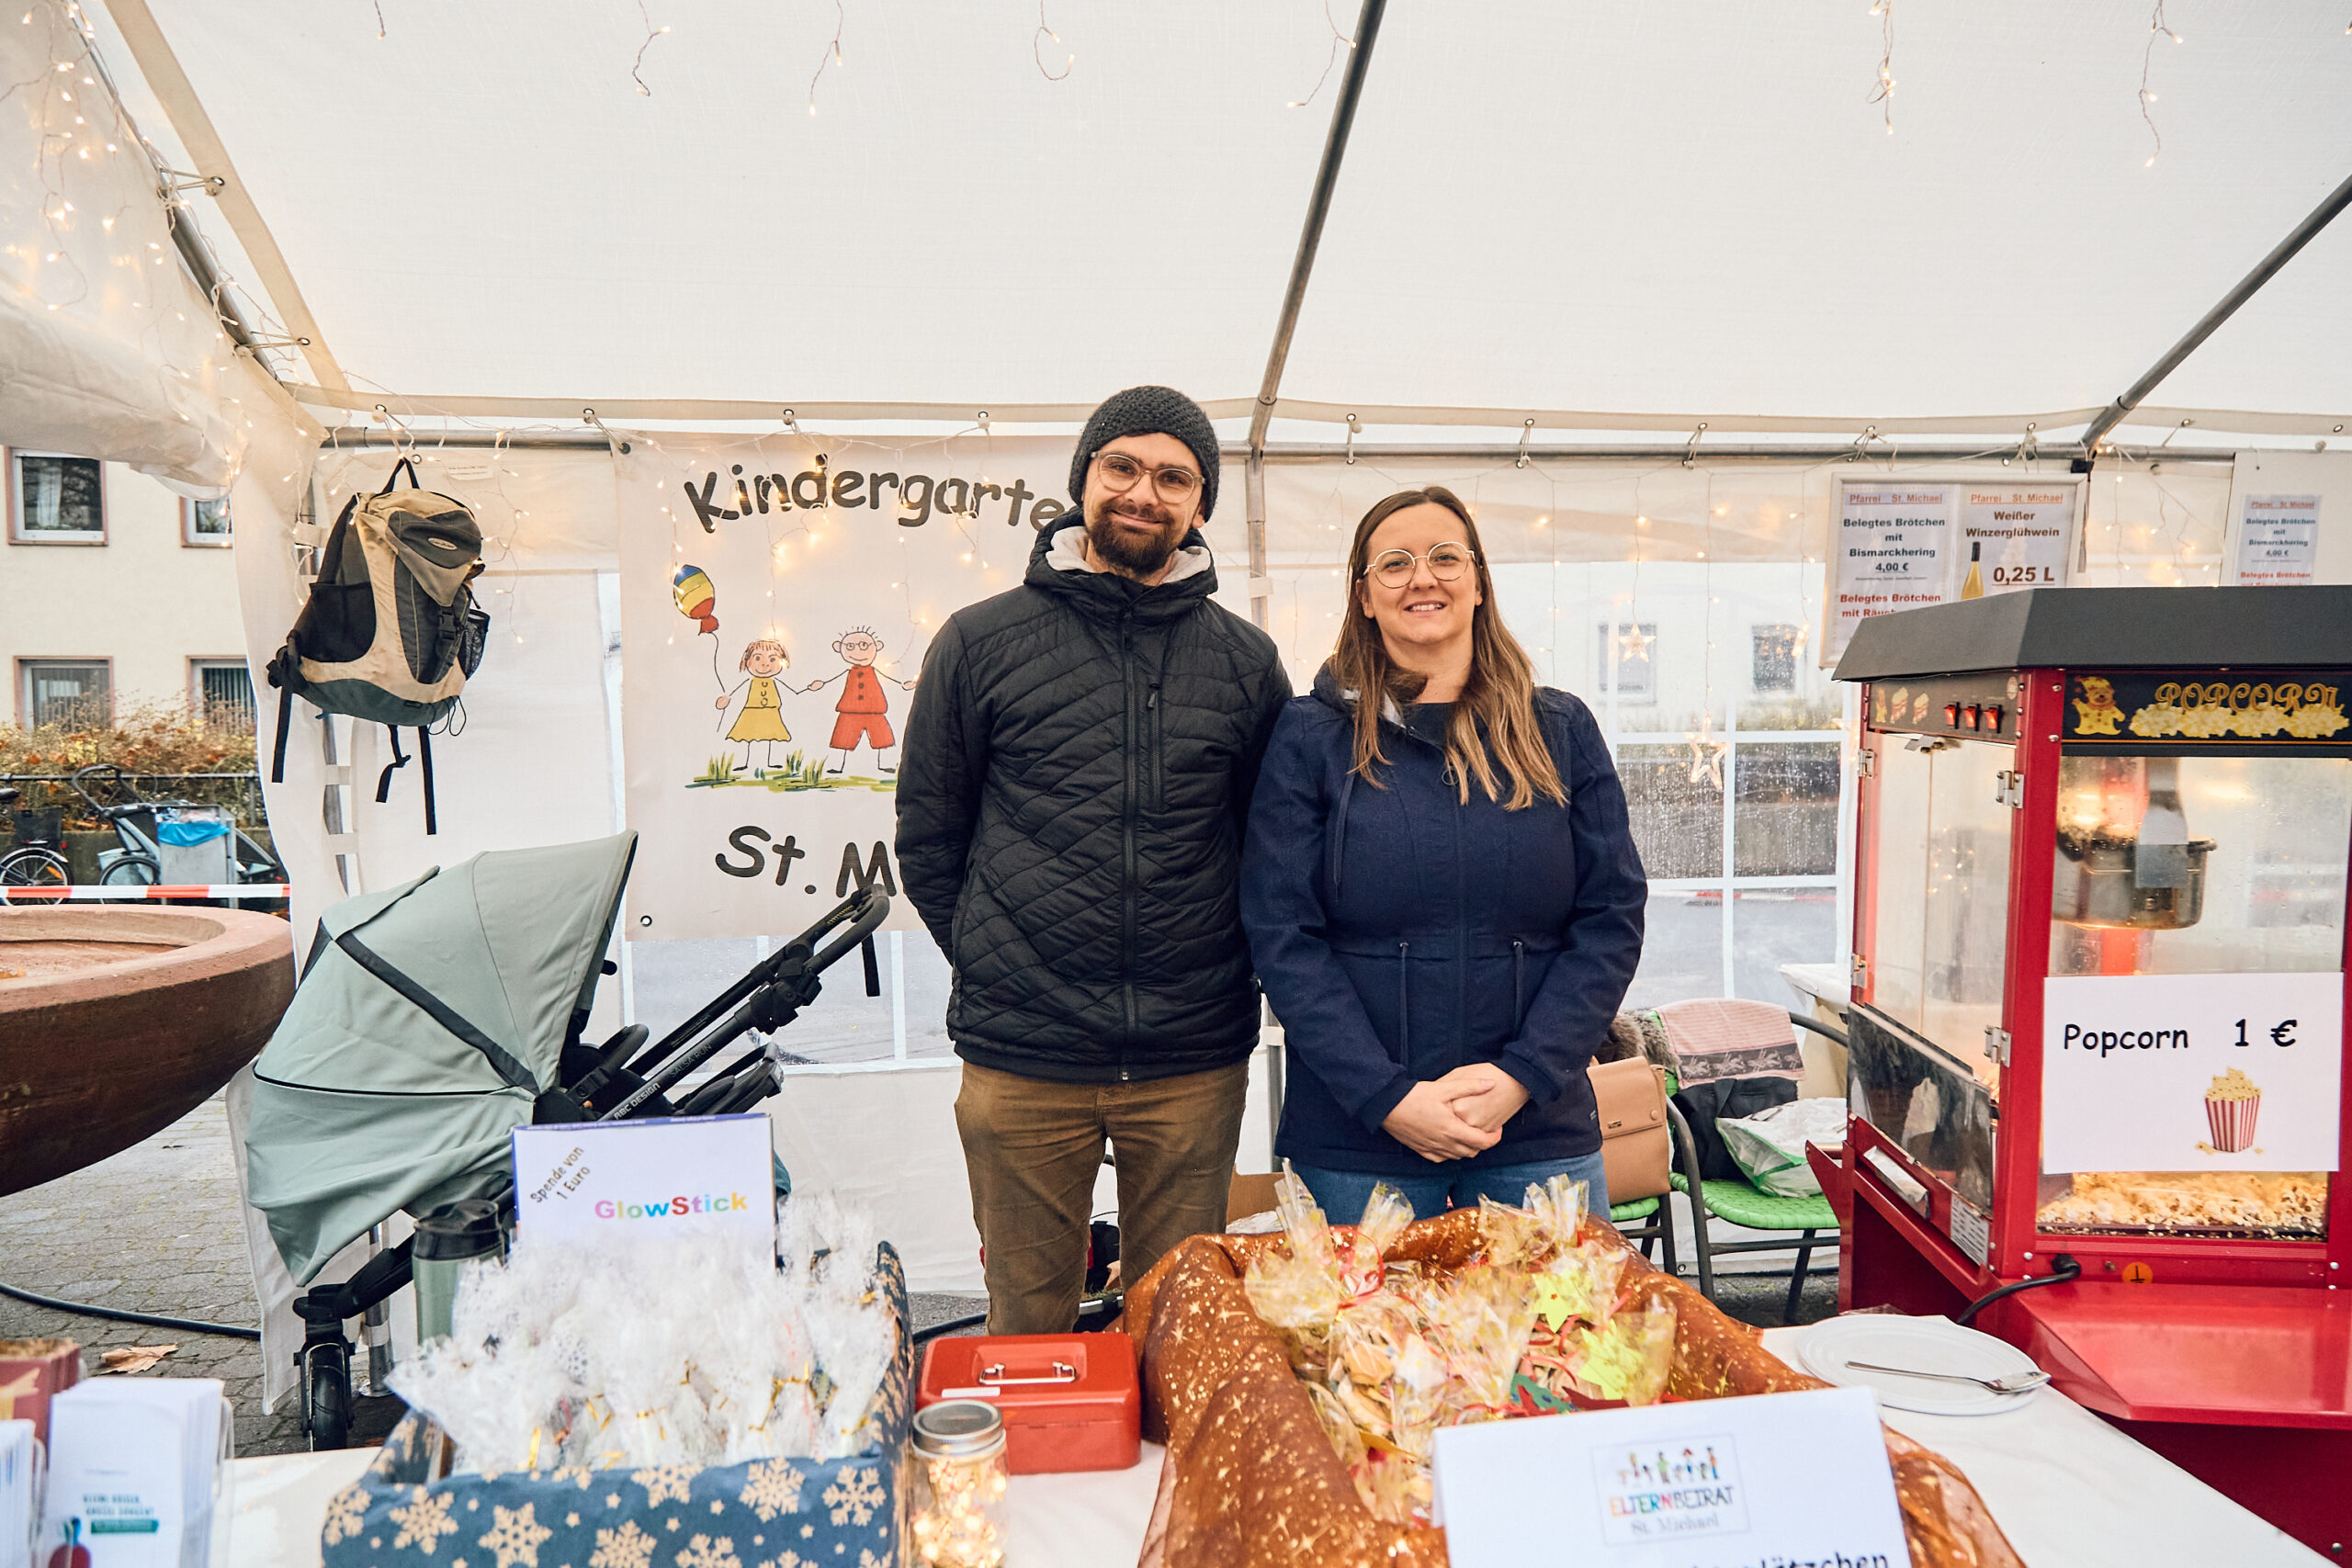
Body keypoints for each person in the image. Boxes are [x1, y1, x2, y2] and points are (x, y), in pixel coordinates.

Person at [897, 386, 1294, 1334]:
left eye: (1172, 477)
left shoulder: (1245, 663)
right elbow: (929, 835)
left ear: (1198, 504)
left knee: (1178, 1324)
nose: (1141, 493)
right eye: (1121, 466)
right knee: (1027, 1323)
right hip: (1023, 1058)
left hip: (1191, 1060)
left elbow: (1271, 850)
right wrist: (1002, 961)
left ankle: (1168, 1484)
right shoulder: (980, 642)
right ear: (1083, 481)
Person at [1240, 485, 1645, 1225]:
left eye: (1444, 556)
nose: (1422, 577)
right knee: (1364, 1343)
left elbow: (1611, 917)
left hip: (1535, 1133)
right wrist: (1386, 1097)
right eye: (1393, 563)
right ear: (1364, 597)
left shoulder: (1560, 730)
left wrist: (1522, 1075)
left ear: (1480, 581)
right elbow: (1283, 936)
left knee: (1556, 1339)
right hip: (1359, 1143)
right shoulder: (1310, 738)